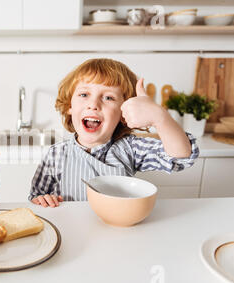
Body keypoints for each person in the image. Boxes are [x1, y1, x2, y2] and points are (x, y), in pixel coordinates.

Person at [29, 58, 199, 207]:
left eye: (108, 97)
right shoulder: (56, 154)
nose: (93, 104)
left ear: (123, 113)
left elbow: (182, 156)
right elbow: (36, 198)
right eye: (84, 94)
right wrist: (43, 200)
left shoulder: (131, 148)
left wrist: (160, 118)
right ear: (69, 107)